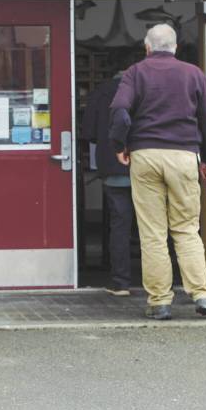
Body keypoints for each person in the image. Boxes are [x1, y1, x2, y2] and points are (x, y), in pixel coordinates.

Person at [108, 23, 206, 320]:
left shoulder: (135, 72)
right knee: (186, 228)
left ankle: (160, 302)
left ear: (147, 48)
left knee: (153, 233)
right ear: (175, 47)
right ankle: (202, 294)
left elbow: (119, 110)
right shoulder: (193, 73)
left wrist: (119, 144)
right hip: (184, 155)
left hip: (145, 156)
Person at [81, 59, 136, 297]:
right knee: (154, 226)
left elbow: (90, 133)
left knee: (119, 225)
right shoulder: (143, 89)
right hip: (146, 166)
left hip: (114, 169)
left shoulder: (101, 92)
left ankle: (121, 282)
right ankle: (161, 284)